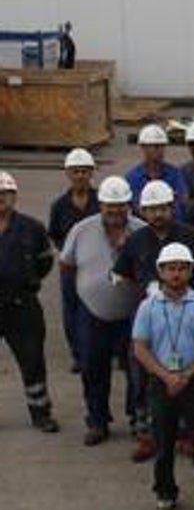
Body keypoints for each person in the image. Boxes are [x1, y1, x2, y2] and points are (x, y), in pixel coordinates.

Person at [131, 242, 194, 510]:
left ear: (190, 271)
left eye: (182, 269)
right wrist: (166, 376)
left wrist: (187, 374)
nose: (176, 274)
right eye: (171, 269)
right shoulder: (148, 306)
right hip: (161, 383)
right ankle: (165, 493)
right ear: (160, 272)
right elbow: (139, 347)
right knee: (163, 441)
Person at [113, 180, 194, 462]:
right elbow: (124, 275)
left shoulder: (192, 237)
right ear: (142, 210)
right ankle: (146, 434)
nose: (157, 215)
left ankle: (187, 434)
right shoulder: (136, 240)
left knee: (189, 379)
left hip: (187, 319)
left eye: (162, 208)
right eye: (151, 209)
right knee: (141, 379)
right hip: (148, 324)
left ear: (172, 206)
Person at [61, 176, 147, 446]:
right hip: (92, 313)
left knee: (137, 371)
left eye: (121, 206)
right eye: (110, 207)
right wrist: (72, 310)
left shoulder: (141, 231)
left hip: (133, 316)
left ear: (129, 205)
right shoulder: (81, 230)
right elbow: (66, 267)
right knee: (93, 368)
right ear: (101, 206)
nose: (115, 212)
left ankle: (138, 419)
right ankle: (97, 420)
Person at [0, 171, 59, 433]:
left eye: (5, 194)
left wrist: (26, 280)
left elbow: (45, 261)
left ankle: (41, 413)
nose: (1, 199)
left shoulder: (31, 228)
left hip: (22, 305)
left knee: (32, 359)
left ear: (14, 197)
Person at [48, 148, 98, 371]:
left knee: (100, 307)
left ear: (91, 173)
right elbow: (55, 234)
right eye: (75, 171)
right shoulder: (59, 206)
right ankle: (78, 355)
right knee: (73, 311)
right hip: (70, 267)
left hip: (98, 265)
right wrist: (69, 253)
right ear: (68, 174)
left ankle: (104, 351)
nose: (80, 176)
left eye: (84, 171)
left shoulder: (101, 202)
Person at [126, 124, 187, 220]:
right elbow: (135, 207)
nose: (157, 150)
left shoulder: (175, 174)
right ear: (143, 147)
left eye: (160, 146)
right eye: (152, 146)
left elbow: (181, 203)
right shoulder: (132, 177)